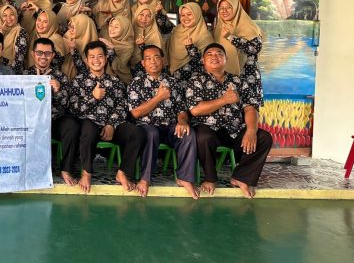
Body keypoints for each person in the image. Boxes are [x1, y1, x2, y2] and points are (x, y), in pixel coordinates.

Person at [187, 43, 273, 198]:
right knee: (203, 137)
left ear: (226, 59)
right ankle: (210, 178)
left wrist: (251, 131)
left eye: (219, 54)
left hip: (234, 129)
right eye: (210, 54)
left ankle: (241, 177)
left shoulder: (237, 81)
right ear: (203, 60)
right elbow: (195, 110)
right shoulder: (196, 80)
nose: (215, 57)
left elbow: (250, 108)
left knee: (264, 138)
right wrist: (224, 100)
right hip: (208, 127)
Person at [69, 41, 145, 193]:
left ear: (106, 58)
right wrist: (93, 97)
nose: (96, 60)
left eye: (100, 56)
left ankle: (122, 173)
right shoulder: (78, 81)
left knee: (137, 133)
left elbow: (122, 107)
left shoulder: (115, 82)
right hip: (89, 124)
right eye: (92, 57)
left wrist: (111, 124)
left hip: (112, 126)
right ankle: (86, 172)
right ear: (86, 60)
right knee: (88, 129)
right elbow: (74, 109)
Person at [127, 45, 198, 199]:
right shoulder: (136, 83)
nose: (153, 61)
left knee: (187, 133)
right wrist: (158, 97)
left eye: (156, 57)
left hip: (170, 126)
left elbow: (181, 109)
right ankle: (145, 179)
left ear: (163, 60)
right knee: (151, 133)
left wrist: (182, 121)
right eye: (148, 59)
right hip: (147, 125)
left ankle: (184, 178)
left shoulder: (173, 83)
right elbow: (135, 113)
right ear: (143, 63)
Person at [23, 38, 79, 185]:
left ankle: (66, 169)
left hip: (54, 121)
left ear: (53, 55)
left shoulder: (60, 76)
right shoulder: (24, 76)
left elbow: (67, 104)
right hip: (32, 122)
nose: (43, 56)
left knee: (71, 125)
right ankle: (29, 170)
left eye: (47, 53)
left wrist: (58, 90)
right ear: (33, 54)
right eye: (39, 52)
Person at [214, 0, 264, 106]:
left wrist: (231, 37)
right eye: (221, 8)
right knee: (230, 110)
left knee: (249, 109)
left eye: (228, 7)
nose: (224, 11)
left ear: (236, 8)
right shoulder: (219, 27)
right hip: (226, 75)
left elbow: (255, 48)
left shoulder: (248, 26)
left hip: (246, 74)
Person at [166, 2, 213, 87]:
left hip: (194, 82)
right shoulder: (176, 31)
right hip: (172, 79)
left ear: (197, 15)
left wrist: (191, 48)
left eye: (189, 14)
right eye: (182, 15)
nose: (185, 18)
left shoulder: (205, 36)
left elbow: (207, 62)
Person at [99, 15, 135, 83]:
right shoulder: (105, 38)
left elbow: (119, 67)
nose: (112, 29)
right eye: (111, 25)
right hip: (102, 76)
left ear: (124, 29)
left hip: (120, 79)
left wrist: (112, 50)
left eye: (116, 27)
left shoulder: (128, 46)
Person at [61, 13, 99, 80]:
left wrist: (74, 51)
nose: (70, 30)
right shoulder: (67, 39)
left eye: (74, 27)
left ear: (83, 28)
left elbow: (87, 73)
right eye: (70, 27)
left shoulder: (97, 48)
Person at [131, 4, 165, 77]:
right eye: (141, 14)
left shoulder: (155, 34)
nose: (144, 18)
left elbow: (157, 58)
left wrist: (142, 46)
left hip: (152, 73)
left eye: (148, 16)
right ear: (136, 15)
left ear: (152, 18)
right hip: (129, 70)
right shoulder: (130, 31)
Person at [0, 4, 28, 74]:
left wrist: (9, 74)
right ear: (1, 17)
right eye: (5, 15)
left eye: (12, 14)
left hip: (12, 73)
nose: (9, 18)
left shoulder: (20, 31)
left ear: (16, 16)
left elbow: (19, 58)